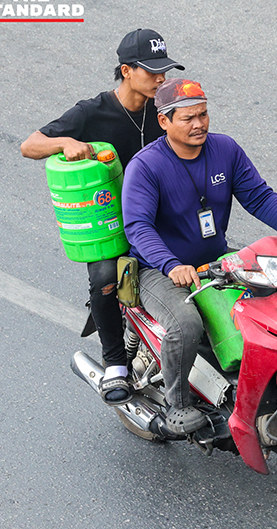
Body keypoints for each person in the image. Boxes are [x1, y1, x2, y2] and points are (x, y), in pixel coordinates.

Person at [121, 78, 277, 434]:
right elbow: (138, 227)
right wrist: (172, 265)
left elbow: (259, 197)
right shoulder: (147, 167)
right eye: (187, 118)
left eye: (203, 114)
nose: (199, 124)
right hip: (156, 268)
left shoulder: (225, 151)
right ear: (164, 122)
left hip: (216, 258)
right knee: (186, 324)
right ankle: (177, 405)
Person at [20, 29, 184, 405]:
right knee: (106, 276)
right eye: (152, 72)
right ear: (126, 71)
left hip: (156, 216)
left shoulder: (163, 111)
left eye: (165, 71)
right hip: (111, 222)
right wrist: (65, 142)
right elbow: (31, 145)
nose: (161, 79)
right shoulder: (93, 112)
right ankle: (115, 365)